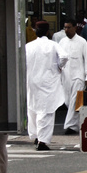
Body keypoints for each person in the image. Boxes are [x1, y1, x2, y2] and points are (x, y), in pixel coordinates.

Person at [26, 21, 66, 151]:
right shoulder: (52, 45)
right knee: (46, 111)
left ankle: (36, 136)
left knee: (33, 109)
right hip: (48, 81)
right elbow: (64, 56)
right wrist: (59, 67)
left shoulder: (28, 46)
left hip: (32, 81)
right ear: (48, 32)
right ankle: (42, 141)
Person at [57, 18, 87, 134]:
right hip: (65, 77)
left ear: (75, 28)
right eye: (65, 27)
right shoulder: (62, 42)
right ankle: (77, 125)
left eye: (69, 27)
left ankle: (69, 126)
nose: (66, 30)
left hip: (79, 77)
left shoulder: (82, 42)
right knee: (68, 102)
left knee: (74, 101)